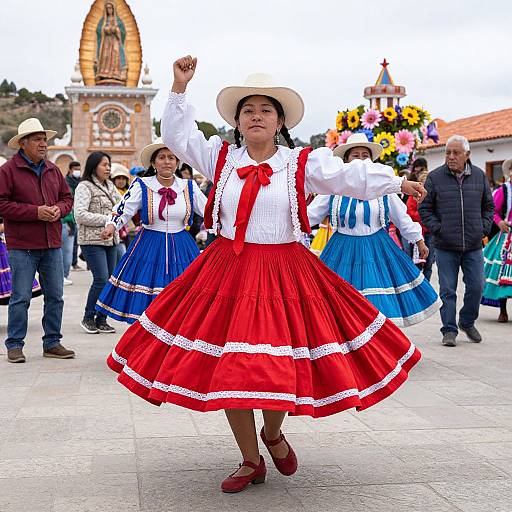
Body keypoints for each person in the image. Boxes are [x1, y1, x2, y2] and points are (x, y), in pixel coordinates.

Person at [107, 56, 426, 493]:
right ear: (238, 121)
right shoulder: (219, 156)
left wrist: (395, 183)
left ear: (279, 122)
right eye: (248, 111)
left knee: (278, 361)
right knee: (232, 366)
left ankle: (273, 433)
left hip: (285, 272)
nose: (257, 117)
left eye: (266, 111)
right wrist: (179, 88)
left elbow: (348, 175)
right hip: (228, 272)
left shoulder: (300, 162)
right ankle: (249, 460)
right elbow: (177, 136)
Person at [308, 133, 440, 327]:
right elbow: (311, 215)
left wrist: (418, 240)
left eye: (365, 155)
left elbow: (401, 217)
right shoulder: (333, 188)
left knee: (376, 305)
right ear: (346, 160)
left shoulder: (383, 186)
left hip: (376, 248)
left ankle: (378, 348)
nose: (361, 160)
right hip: (342, 250)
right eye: (356, 155)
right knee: (340, 306)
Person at [97, 138, 206, 324]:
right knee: (148, 297)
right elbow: (123, 208)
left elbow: (210, 210)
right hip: (149, 244)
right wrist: (112, 225)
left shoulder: (189, 187)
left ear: (177, 162)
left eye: (171, 157)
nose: (167, 161)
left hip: (182, 246)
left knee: (184, 299)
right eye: (162, 157)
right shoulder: (142, 185)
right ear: (154, 162)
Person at [0, 118, 75, 363]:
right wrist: (36, 212)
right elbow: (2, 205)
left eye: (44, 139)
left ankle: (52, 342)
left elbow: (67, 198)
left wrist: (59, 209)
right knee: (20, 297)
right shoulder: (8, 171)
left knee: (55, 296)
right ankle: (14, 345)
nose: (43, 144)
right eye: (37, 139)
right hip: (22, 246)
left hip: (51, 243)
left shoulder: (53, 169)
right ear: (22, 143)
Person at [419, 135, 494, 347]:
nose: (451, 157)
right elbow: (425, 208)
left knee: (477, 286)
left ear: (467, 155)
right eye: (447, 153)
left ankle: (467, 321)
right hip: (445, 246)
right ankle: (449, 329)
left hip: (473, 245)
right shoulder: (434, 178)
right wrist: (438, 229)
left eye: (456, 153)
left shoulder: (479, 177)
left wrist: (483, 228)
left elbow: (488, 207)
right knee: (447, 290)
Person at [74, 151, 121, 334]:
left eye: (109, 164)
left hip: (111, 240)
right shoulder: (84, 186)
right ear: (94, 166)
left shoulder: (110, 186)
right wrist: (107, 219)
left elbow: (121, 207)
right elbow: (80, 214)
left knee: (110, 280)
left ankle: (102, 319)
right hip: (91, 241)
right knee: (101, 279)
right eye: (103, 164)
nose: (108, 168)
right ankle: (88, 317)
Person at [481, 158, 512, 322]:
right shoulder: (504, 190)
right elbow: (491, 209)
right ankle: (503, 310)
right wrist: (499, 222)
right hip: (507, 234)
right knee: (501, 270)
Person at [406, 168, 436, 281]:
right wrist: (424, 216)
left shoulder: (434, 197)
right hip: (418, 233)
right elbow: (410, 212)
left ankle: (426, 284)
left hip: (430, 232)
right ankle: (417, 284)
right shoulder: (414, 196)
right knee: (417, 262)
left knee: (429, 263)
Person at [109, 163, 131, 261]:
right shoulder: (111, 192)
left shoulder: (131, 192)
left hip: (131, 230)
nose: (121, 181)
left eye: (123, 178)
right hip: (117, 230)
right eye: (118, 178)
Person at [66, 161, 83, 271]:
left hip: (80, 212)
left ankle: (75, 262)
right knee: (71, 240)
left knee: (78, 240)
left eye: (79, 168)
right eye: (75, 169)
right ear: (70, 170)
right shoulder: (66, 182)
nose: (77, 171)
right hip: (70, 214)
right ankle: (72, 263)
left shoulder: (81, 182)